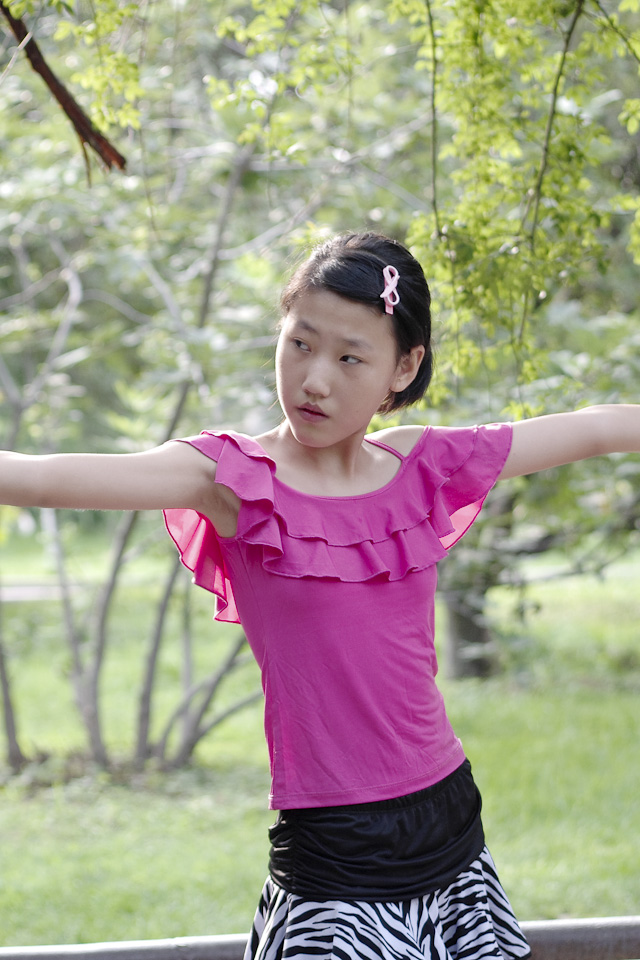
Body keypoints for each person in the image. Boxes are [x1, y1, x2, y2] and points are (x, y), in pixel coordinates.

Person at [1, 231, 639, 960]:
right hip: (334, 843)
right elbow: (41, 477)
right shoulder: (230, 477)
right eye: (300, 344)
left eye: (348, 358)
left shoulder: (422, 466)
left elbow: (595, 430)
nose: (313, 380)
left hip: (449, 816)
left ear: (404, 367)